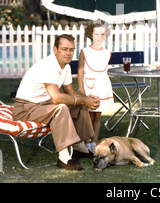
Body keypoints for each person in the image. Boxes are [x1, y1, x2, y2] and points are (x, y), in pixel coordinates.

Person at [12, 34, 100, 171]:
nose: (68, 53)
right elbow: (56, 98)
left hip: (42, 105)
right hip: (25, 109)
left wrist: (88, 100)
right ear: (55, 49)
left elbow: (71, 92)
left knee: (79, 105)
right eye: (64, 49)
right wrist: (84, 100)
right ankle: (63, 157)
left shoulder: (65, 67)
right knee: (61, 108)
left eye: (71, 49)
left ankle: (79, 146)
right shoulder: (48, 65)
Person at [78, 22, 113, 153]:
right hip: (89, 87)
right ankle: (86, 141)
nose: (100, 37)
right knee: (87, 116)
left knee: (97, 116)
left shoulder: (107, 53)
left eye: (102, 34)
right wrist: (82, 91)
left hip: (102, 86)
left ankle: (94, 140)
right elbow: (80, 71)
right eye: (96, 34)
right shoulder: (85, 52)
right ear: (90, 35)